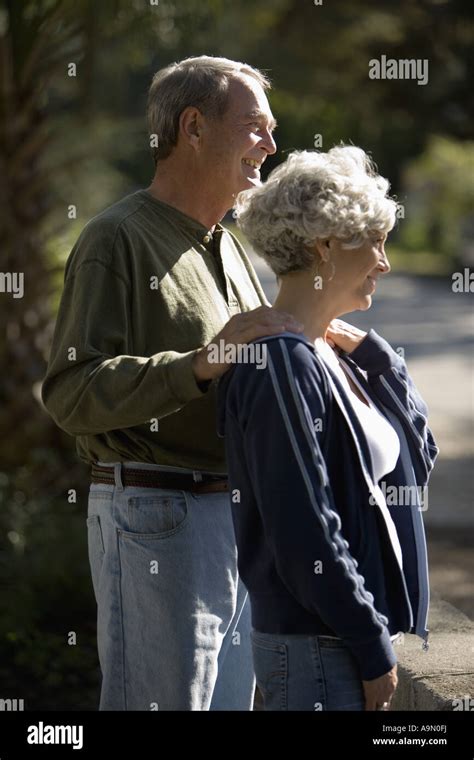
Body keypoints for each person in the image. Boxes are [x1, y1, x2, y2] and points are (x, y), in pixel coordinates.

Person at [41, 55, 304, 711]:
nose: (270, 146)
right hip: (158, 516)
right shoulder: (116, 239)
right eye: (254, 127)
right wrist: (197, 364)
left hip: (234, 524)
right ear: (193, 127)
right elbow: (70, 391)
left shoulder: (232, 248)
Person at [217, 146, 439, 711]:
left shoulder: (332, 355)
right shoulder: (281, 363)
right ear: (325, 245)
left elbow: (420, 460)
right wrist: (370, 645)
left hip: (347, 641)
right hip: (322, 649)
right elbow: (303, 529)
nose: (385, 262)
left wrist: (379, 360)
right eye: (376, 241)